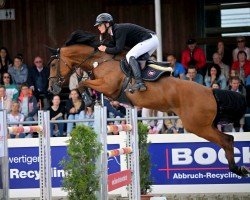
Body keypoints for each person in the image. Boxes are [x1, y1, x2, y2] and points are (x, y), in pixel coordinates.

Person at [94, 13, 159, 91]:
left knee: (130, 56)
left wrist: (105, 49)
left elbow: (118, 49)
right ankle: (143, 81)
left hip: (149, 40)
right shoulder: (114, 31)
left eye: (99, 25)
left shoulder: (118, 29)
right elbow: (114, 44)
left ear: (107, 24)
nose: (98, 27)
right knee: (138, 61)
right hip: (152, 41)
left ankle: (139, 83)